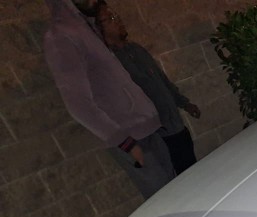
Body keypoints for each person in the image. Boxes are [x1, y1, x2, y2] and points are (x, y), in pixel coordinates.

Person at [43, 0, 175, 199]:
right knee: (164, 199)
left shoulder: (88, 27)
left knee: (175, 191)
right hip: (131, 138)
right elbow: (78, 104)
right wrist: (125, 143)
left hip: (148, 129)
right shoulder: (61, 36)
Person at [97, 2, 201, 175]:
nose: (119, 21)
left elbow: (161, 80)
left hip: (176, 126)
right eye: (111, 18)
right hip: (157, 136)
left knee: (193, 171)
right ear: (99, 27)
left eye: (117, 16)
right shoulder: (112, 63)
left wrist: (184, 103)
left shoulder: (136, 49)